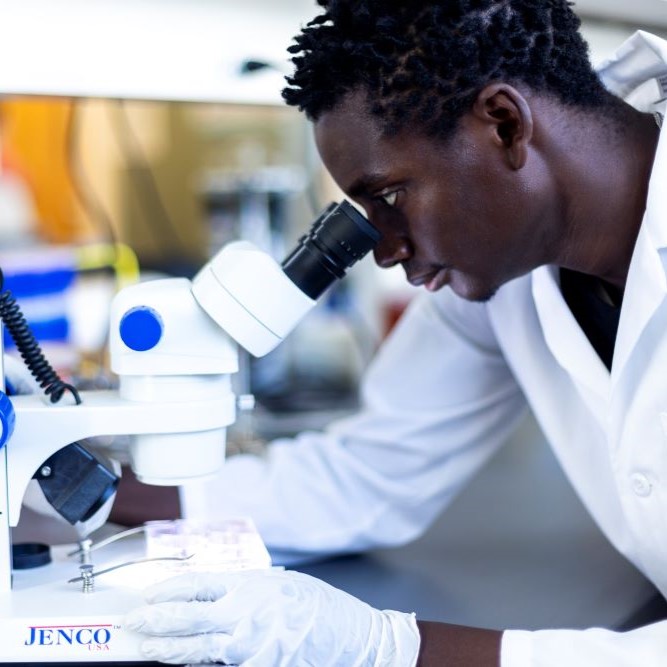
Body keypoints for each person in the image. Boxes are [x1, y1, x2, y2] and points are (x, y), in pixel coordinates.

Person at [125, 1, 667, 664]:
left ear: (503, 124)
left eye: (387, 195)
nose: (383, 249)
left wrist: (389, 647)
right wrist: (93, 494)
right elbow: (368, 472)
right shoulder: (502, 277)